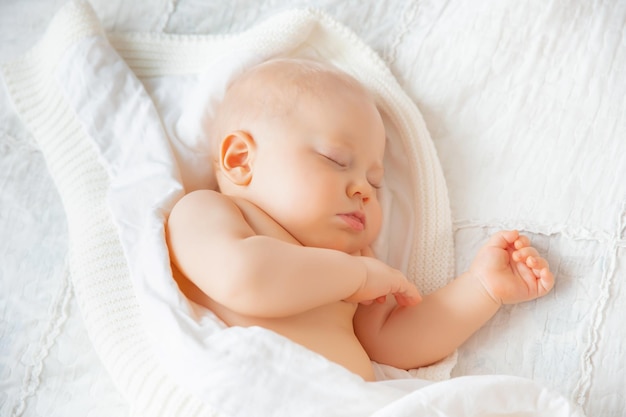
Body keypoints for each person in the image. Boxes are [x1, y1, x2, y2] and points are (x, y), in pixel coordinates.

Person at [165, 58, 555, 382]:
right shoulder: (206, 212)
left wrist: (482, 288)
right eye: (336, 160)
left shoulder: (355, 260)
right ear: (240, 160)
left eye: (376, 182)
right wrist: (359, 276)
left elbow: (395, 345)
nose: (364, 192)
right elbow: (244, 277)